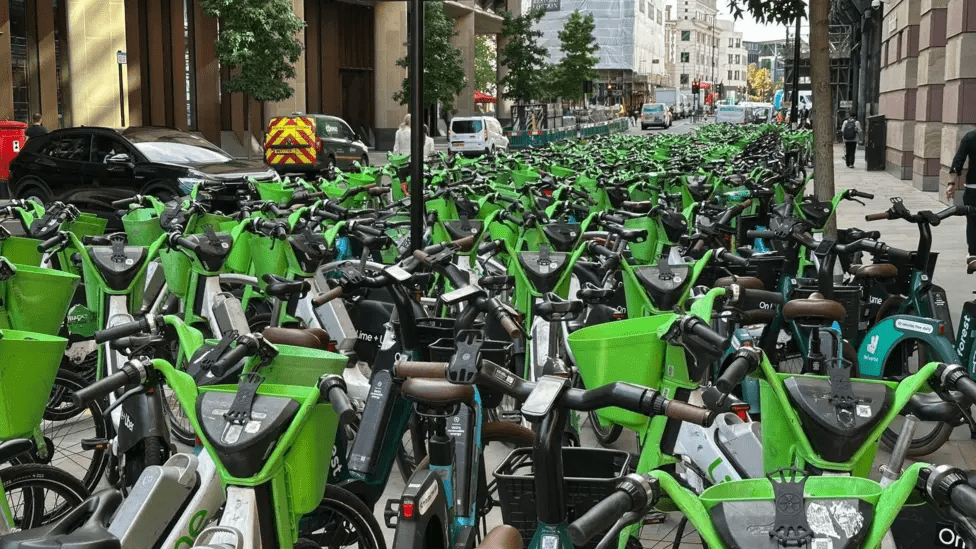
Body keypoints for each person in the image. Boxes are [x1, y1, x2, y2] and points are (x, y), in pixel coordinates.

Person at [945, 128, 976, 266]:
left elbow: (958, 161)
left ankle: (973, 255)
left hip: (973, 188)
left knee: (973, 221)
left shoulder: (970, 137)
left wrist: (951, 184)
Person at [392, 114, 411, 189]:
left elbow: (396, 146)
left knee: (402, 178)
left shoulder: (399, 132)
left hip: (402, 159)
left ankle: (404, 191)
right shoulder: (413, 131)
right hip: (411, 158)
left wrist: (395, 158)